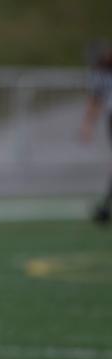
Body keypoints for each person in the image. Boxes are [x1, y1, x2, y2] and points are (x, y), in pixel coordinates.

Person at [80, 43, 112, 225]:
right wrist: (87, 125)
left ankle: (106, 205)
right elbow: (95, 100)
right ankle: (106, 205)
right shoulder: (101, 75)